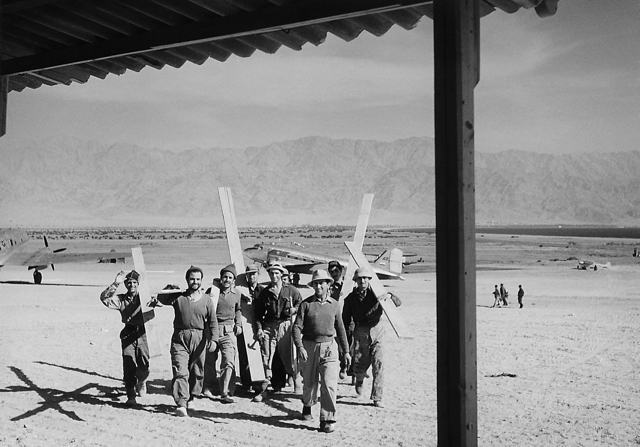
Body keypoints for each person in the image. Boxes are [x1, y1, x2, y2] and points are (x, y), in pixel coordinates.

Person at [153, 266, 218, 417]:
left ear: (201, 281)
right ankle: (181, 403)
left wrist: (213, 339)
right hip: (180, 338)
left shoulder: (207, 300)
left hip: (199, 338)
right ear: (187, 280)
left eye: (198, 279)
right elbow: (161, 298)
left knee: (196, 371)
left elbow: (213, 321)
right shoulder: (179, 297)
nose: (195, 282)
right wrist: (170, 288)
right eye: (192, 279)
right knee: (180, 370)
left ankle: (192, 398)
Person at [293, 269, 350, 433]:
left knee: (329, 384)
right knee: (309, 384)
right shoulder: (306, 304)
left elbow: (341, 330)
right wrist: (300, 347)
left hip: (329, 348)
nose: (318, 286)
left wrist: (345, 351)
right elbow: (296, 328)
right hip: (309, 347)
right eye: (316, 283)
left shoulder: (335, 305)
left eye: (321, 283)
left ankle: (327, 419)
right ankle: (307, 404)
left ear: (328, 285)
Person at [342, 266, 401, 408]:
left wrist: (390, 296)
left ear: (369, 280)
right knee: (360, 364)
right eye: (360, 278)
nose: (363, 281)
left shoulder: (378, 294)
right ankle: (359, 380)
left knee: (379, 365)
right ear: (355, 281)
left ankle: (377, 397)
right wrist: (346, 340)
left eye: (365, 278)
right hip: (360, 333)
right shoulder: (350, 299)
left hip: (377, 330)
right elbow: (345, 321)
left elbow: (398, 303)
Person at [253, 262, 302, 401]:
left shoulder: (291, 290)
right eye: (271, 273)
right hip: (269, 326)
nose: (274, 276)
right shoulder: (265, 293)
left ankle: (295, 378)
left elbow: (300, 304)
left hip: (286, 325)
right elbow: (258, 313)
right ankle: (264, 389)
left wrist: (294, 310)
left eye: (276, 273)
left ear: (281, 274)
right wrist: (260, 328)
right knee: (266, 356)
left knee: (289, 356)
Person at [100, 270, 150, 406]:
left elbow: (155, 303)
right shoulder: (121, 299)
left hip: (143, 333)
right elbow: (104, 298)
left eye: (134, 283)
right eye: (128, 283)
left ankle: (142, 382)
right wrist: (116, 283)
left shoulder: (144, 298)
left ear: (138, 284)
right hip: (128, 333)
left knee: (144, 366)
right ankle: (131, 395)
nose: (131, 285)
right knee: (129, 365)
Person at [203, 264, 242, 403]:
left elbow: (238, 310)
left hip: (228, 330)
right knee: (209, 360)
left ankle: (226, 391)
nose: (227, 279)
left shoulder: (237, 294)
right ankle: (208, 386)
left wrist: (238, 324)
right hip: (212, 329)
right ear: (220, 278)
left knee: (229, 360)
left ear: (233, 280)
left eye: (230, 277)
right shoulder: (212, 291)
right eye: (225, 276)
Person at [237, 263, 265, 395]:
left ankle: (259, 382)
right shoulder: (241, 290)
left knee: (260, 354)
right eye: (249, 274)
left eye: (254, 273)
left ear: (258, 274)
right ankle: (246, 383)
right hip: (244, 326)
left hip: (259, 325)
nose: (251, 276)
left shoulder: (263, 291)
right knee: (244, 354)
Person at [327, 260, 350, 380]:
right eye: (331, 271)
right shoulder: (329, 287)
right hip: (337, 318)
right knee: (340, 343)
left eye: (336, 271)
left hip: (350, 317)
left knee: (352, 344)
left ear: (341, 271)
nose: (334, 273)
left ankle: (354, 373)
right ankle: (343, 366)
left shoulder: (349, 283)